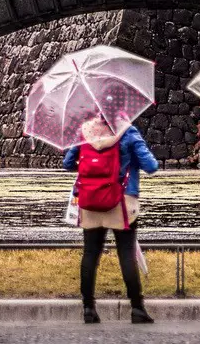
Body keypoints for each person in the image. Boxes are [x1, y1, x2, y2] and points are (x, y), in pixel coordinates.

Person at [63, 114, 160, 324]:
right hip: (122, 201)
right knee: (126, 254)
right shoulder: (128, 131)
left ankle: (88, 308)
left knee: (90, 254)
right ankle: (137, 308)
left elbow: (68, 163)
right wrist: (131, 159)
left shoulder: (85, 131)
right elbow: (151, 166)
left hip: (90, 200)